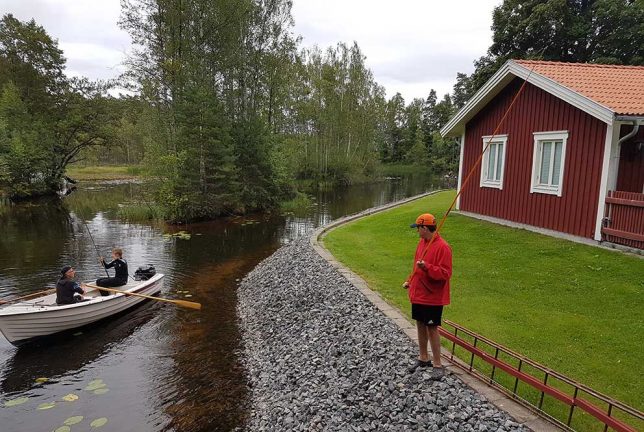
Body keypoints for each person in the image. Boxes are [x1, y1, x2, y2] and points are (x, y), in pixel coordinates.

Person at [403, 213, 453, 379]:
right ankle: (423, 358)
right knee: (419, 324)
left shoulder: (443, 247)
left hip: (432, 297)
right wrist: (410, 281)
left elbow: (445, 274)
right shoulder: (421, 243)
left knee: (432, 328)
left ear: (424, 228)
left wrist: (428, 268)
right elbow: (416, 267)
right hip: (418, 294)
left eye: (418, 228)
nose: (417, 231)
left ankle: (438, 364)